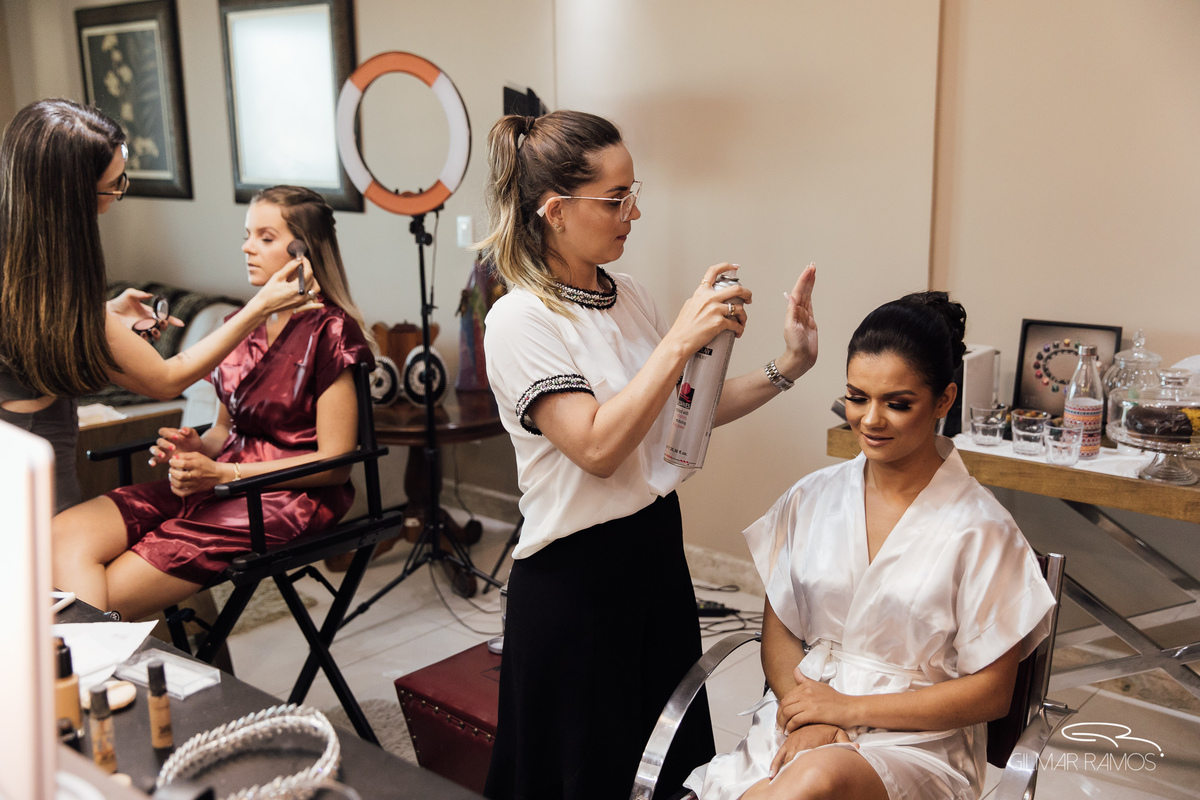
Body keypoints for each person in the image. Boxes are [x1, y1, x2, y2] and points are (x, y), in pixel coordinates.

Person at [479, 109, 819, 800]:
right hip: (574, 576)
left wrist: (787, 366)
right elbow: (598, 446)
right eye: (615, 199)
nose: (633, 212)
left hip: (654, 550)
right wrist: (679, 341)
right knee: (585, 772)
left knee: (665, 761)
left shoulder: (628, 295)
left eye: (633, 193)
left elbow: (682, 415)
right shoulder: (520, 319)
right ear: (555, 211)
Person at [685, 292, 1057, 800]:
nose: (870, 420)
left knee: (816, 780)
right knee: (802, 778)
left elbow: (992, 694)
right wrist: (813, 716)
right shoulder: (812, 497)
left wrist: (848, 709)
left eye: (897, 404)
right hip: (805, 717)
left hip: (919, 742)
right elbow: (779, 632)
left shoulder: (982, 529)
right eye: (857, 398)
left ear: (943, 400)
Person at [51, 185, 373, 622]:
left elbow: (335, 465)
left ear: (304, 252)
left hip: (288, 498)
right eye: (247, 235)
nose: (247, 247)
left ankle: (93, 656)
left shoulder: (331, 332)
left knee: (102, 598)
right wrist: (195, 449)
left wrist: (224, 473)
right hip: (222, 485)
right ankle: (100, 650)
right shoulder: (238, 326)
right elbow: (224, 431)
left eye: (265, 237)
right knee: (62, 533)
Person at [0, 99, 313, 511]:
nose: (117, 196)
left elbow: (26, 326)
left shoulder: (21, 250)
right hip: (25, 447)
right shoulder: (45, 275)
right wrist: (257, 308)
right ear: (69, 196)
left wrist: (104, 315)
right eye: (112, 186)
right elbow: (166, 381)